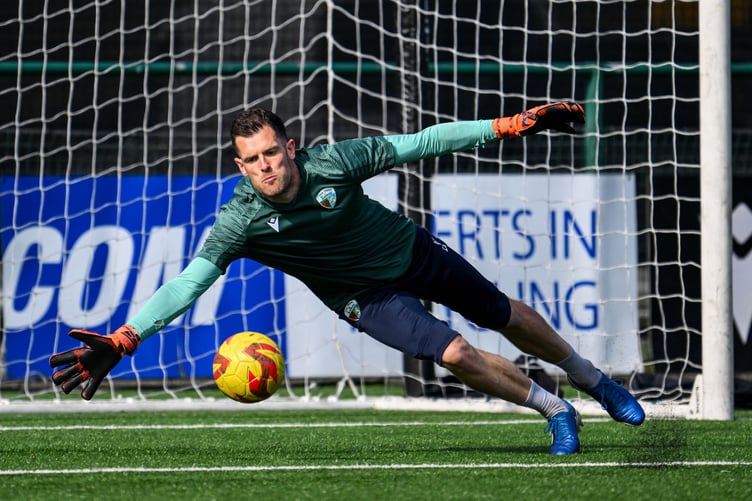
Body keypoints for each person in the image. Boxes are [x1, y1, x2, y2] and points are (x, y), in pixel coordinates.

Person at [49, 102, 645, 455]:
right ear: (240, 164)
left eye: (272, 154)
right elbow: (187, 284)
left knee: (503, 314)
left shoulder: (333, 162)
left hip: (408, 251)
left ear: (291, 147)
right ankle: (554, 409)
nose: (265, 167)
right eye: (252, 160)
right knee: (456, 352)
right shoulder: (241, 220)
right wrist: (128, 336)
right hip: (363, 297)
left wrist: (508, 126)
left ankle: (591, 379)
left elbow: (422, 142)